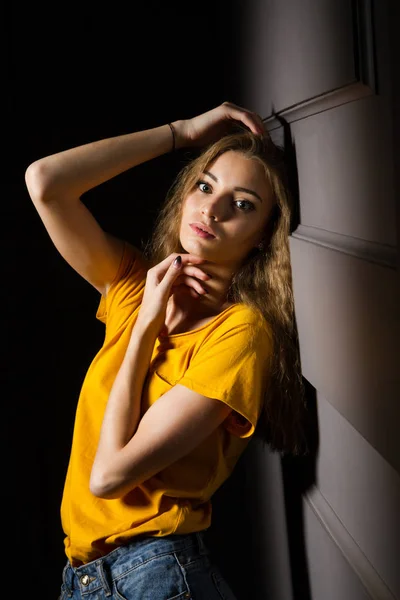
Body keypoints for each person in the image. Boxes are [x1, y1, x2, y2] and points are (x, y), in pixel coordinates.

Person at [25, 101, 307, 599]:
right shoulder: (134, 285)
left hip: (156, 576)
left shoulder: (239, 334)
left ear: (262, 238)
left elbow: (110, 476)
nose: (212, 210)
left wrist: (145, 330)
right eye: (205, 186)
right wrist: (179, 133)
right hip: (86, 579)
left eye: (242, 204)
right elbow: (45, 181)